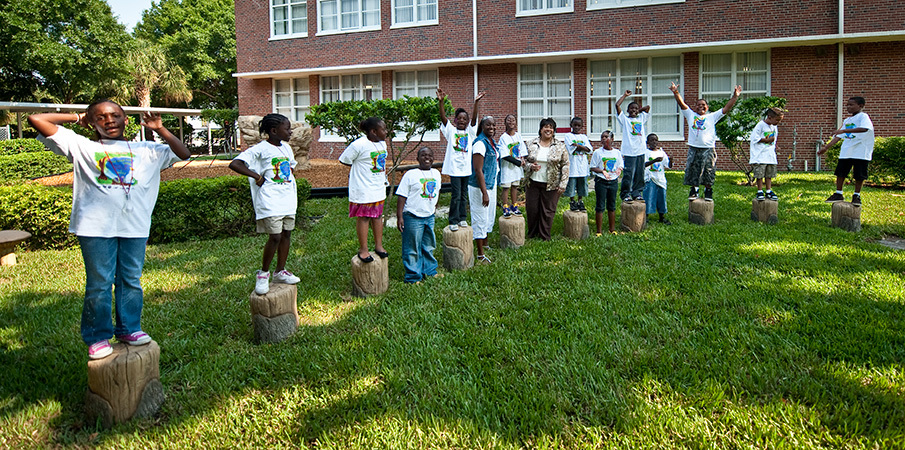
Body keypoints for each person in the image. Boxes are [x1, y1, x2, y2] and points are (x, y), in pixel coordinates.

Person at [28, 100, 190, 359]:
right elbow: (37, 119)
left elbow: (183, 154)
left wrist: (160, 129)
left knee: (130, 280)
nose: (109, 120)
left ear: (126, 119)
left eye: (115, 115)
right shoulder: (83, 146)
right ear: (92, 123)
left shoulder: (147, 149)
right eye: (100, 117)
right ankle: (98, 336)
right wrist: (77, 117)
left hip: (134, 226)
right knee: (99, 283)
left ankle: (129, 328)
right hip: (94, 228)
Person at [228, 113, 301, 295]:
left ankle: (280, 271)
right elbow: (235, 164)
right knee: (275, 236)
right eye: (287, 128)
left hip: (288, 199)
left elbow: (291, 167)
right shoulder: (260, 149)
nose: (290, 132)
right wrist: (257, 177)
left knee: (286, 234)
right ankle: (263, 274)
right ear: (274, 131)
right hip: (270, 200)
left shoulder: (287, 148)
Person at [668, 82, 741, 202]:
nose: (701, 107)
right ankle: (694, 190)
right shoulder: (690, 114)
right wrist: (676, 92)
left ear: (707, 107)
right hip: (694, 148)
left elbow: (727, 108)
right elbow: (681, 104)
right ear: (695, 107)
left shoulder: (712, 116)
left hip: (708, 149)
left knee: (708, 170)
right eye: (698, 105)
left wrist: (735, 96)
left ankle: (708, 191)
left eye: (703, 105)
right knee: (693, 169)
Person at [339, 117, 389, 263]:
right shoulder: (359, 145)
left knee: (378, 216)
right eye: (383, 129)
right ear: (373, 131)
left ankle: (379, 246)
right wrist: (361, 171)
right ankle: (364, 249)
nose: (386, 131)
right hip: (363, 189)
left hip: (378, 187)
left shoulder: (382, 144)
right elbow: (344, 160)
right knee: (365, 217)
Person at [437, 88, 485, 231]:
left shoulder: (470, 133)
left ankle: (462, 218)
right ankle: (453, 220)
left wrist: (476, 102)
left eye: (465, 119)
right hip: (454, 169)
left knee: (464, 195)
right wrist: (441, 102)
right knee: (456, 195)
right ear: (456, 120)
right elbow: (443, 118)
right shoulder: (451, 131)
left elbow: (475, 119)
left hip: (466, 169)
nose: (462, 121)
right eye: (460, 119)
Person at [395, 148, 443, 283]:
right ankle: (413, 277)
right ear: (417, 158)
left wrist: (434, 207)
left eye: (429, 155)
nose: (427, 158)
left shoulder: (436, 173)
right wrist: (400, 216)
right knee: (412, 248)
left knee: (428, 245)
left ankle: (429, 271)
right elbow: (401, 196)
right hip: (413, 216)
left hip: (429, 216)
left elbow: (437, 191)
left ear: (433, 158)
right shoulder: (411, 175)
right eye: (423, 155)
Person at [818, 97, 874, 206]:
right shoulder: (847, 120)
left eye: (851, 105)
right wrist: (826, 147)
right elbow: (839, 136)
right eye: (847, 105)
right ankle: (839, 193)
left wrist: (845, 130)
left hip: (861, 150)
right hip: (847, 150)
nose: (848, 107)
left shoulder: (863, 117)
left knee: (859, 175)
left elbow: (865, 128)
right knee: (841, 172)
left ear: (861, 106)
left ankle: (856, 195)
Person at [524, 118, 569, 240]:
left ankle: (544, 235)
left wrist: (563, 183)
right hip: (533, 182)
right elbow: (523, 161)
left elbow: (565, 164)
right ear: (540, 129)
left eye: (551, 127)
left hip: (552, 183)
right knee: (532, 209)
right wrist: (530, 166)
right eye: (545, 127)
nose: (548, 129)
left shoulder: (560, 146)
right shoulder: (531, 143)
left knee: (548, 210)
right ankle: (532, 233)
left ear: (554, 131)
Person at [469, 116, 500, 264]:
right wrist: (484, 193)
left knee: (488, 216)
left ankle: (485, 245)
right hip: (479, 187)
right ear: (482, 126)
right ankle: (480, 255)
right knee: (479, 218)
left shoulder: (491, 142)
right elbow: (478, 169)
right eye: (488, 125)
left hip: (490, 184)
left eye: (493, 125)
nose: (492, 127)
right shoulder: (480, 144)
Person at [615, 90, 651, 203]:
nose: (634, 110)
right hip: (629, 151)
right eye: (631, 108)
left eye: (636, 108)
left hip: (640, 151)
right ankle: (625, 193)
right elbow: (617, 105)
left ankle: (637, 192)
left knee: (639, 173)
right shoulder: (625, 120)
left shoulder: (641, 119)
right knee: (628, 174)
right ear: (627, 110)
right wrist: (624, 95)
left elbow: (648, 107)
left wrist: (638, 111)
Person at [589, 130, 623, 235]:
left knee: (612, 205)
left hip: (613, 181)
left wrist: (619, 169)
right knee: (600, 205)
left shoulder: (617, 152)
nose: (603, 139)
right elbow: (592, 167)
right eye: (602, 137)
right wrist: (602, 171)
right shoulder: (598, 152)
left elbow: (620, 164)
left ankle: (612, 229)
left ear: (612, 139)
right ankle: (599, 231)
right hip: (601, 181)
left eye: (606, 137)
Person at [749, 108, 785, 201]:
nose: (778, 122)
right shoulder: (760, 125)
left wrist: (775, 145)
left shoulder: (774, 127)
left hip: (770, 155)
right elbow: (754, 138)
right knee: (760, 174)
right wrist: (766, 140)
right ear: (769, 117)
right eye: (777, 120)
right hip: (760, 155)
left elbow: (774, 138)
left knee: (769, 173)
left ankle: (768, 190)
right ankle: (760, 190)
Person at [498, 114, 526, 217]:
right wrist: (519, 163)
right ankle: (505, 206)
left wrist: (523, 158)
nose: (511, 122)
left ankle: (514, 205)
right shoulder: (503, 138)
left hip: (516, 169)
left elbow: (522, 151)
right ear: (505, 123)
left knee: (515, 186)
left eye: (513, 120)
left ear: (516, 123)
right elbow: (504, 155)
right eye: (508, 120)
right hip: (507, 168)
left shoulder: (518, 136)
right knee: (506, 187)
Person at [563, 117, 592, 211]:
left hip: (582, 166)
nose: (576, 127)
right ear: (571, 125)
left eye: (579, 125)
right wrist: (583, 147)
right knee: (571, 185)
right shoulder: (568, 136)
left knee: (582, 185)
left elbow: (589, 149)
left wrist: (579, 146)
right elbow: (570, 148)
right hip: (573, 165)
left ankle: (580, 201)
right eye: (575, 125)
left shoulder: (584, 137)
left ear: (582, 126)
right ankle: (572, 201)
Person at [643, 133, 671, 225]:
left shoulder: (661, 152)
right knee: (648, 197)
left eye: (656, 140)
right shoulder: (646, 153)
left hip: (660, 179)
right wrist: (654, 160)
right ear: (648, 142)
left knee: (661, 198)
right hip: (650, 178)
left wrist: (671, 161)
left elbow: (668, 165)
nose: (654, 142)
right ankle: (646, 216)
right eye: (652, 140)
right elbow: (644, 165)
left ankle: (661, 216)